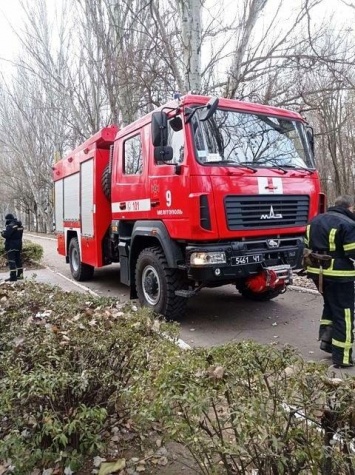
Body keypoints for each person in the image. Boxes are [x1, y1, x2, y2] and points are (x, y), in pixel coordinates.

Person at [304, 195, 355, 368]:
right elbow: (352, 252)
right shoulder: (348, 224)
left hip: (316, 273)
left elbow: (306, 244)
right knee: (345, 313)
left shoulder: (315, 220)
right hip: (339, 275)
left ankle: (328, 342)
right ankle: (342, 357)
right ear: (350, 207)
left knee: (330, 306)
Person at [1, 213, 24, 282]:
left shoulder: (10, 226)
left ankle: (13, 277)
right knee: (18, 260)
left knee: (12, 261)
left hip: (11, 245)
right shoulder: (20, 225)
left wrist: (2, 233)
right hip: (18, 245)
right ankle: (20, 275)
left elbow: (7, 235)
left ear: (8, 219)